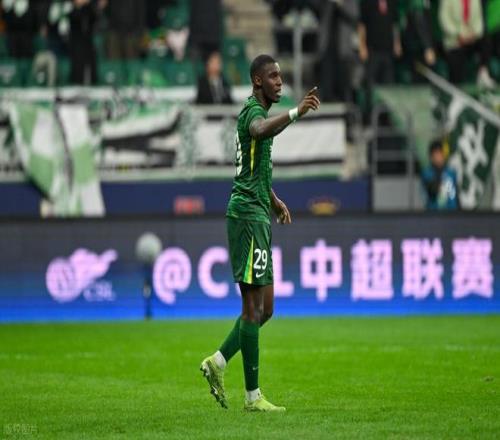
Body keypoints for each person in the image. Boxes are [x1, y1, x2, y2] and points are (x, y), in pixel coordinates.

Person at [199, 54, 320, 412]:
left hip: (258, 214)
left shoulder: (261, 112)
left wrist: (275, 200)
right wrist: (296, 112)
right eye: (273, 77)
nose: (279, 82)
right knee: (252, 309)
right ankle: (253, 397)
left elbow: (254, 170)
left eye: (280, 76)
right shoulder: (253, 112)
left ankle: (217, 362)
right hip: (246, 218)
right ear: (257, 81)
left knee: (266, 309)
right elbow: (258, 130)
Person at [439, 0, 496, 87]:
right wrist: (459, 34)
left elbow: (479, 21)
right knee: (456, 63)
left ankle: (483, 72)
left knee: (486, 41)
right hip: (455, 41)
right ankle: (455, 86)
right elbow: (444, 20)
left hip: (472, 38)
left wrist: (473, 35)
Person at [422, 139, 459, 210]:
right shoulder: (427, 173)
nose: (439, 157)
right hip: (433, 213)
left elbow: (455, 196)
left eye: (441, 153)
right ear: (431, 157)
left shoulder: (451, 173)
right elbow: (432, 189)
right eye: (436, 154)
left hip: (452, 213)